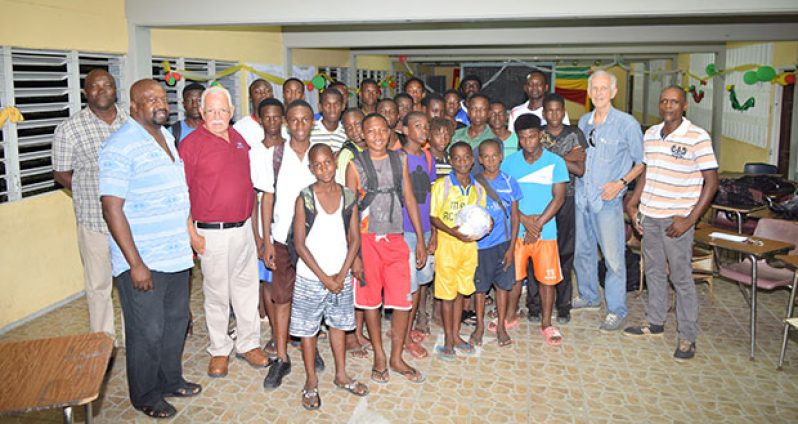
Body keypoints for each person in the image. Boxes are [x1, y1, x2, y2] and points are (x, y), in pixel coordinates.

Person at [99, 79, 199, 419]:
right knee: (148, 329)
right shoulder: (120, 145)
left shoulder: (166, 137)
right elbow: (111, 208)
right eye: (150, 99)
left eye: (162, 97)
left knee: (176, 320)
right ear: (134, 107)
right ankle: (145, 394)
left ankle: (171, 379)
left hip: (175, 255)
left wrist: (189, 236)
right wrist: (135, 263)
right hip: (144, 259)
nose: (160, 103)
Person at [179, 85, 269, 378]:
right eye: (211, 111)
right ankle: (219, 350)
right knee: (217, 294)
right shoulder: (190, 145)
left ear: (232, 113)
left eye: (222, 110)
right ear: (202, 113)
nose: (217, 116)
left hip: (243, 228)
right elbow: (183, 194)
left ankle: (248, 343)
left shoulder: (240, 139)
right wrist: (191, 234)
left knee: (246, 290)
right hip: (211, 233)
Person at [624, 85, 719, 361]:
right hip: (650, 217)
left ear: (684, 106)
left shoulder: (697, 137)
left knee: (681, 278)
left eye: (674, 102)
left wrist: (690, 219)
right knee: (653, 272)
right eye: (664, 101)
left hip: (676, 219)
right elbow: (648, 172)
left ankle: (687, 336)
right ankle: (655, 323)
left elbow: (711, 183)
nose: (668, 106)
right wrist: (634, 203)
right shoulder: (651, 134)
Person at [345, 113, 428, 384]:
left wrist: (420, 239)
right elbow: (349, 213)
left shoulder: (399, 159)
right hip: (367, 240)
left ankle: (396, 356)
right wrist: (354, 255)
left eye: (383, 130)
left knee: (402, 301)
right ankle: (379, 355)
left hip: (395, 238)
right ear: (362, 135)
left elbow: (410, 199)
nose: (378, 136)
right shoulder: (355, 166)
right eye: (371, 131)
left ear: (390, 131)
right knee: (371, 301)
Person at [291, 144, 369, 410]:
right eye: (317, 164)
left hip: (340, 274)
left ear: (335, 163)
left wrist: (343, 272)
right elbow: (300, 244)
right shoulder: (305, 198)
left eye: (328, 163)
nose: (324, 168)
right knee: (308, 330)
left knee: (338, 325)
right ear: (311, 168)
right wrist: (326, 279)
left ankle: (341, 374)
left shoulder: (348, 196)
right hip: (312, 277)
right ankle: (311, 380)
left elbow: (355, 238)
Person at [53, 69, 127, 344]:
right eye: (94, 87)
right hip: (95, 222)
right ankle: (103, 344)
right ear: (86, 92)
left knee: (135, 283)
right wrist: (90, 193)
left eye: (107, 85)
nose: (102, 90)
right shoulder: (69, 128)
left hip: (132, 220)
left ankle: (138, 338)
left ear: (115, 89)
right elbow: (61, 173)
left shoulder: (130, 122)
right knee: (99, 286)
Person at [572, 70, 645, 333]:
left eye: (604, 88)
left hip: (608, 202)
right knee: (583, 252)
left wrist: (621, 184)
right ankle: (589, 296)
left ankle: (616, 309)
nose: (599, 93)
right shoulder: (583, 121)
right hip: (583, 198)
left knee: (614, 259)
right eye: (595, 88)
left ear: (613, 92)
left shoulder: (627, 124)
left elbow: (641, 162)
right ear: (589, 92)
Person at [261, 100, 320, 389]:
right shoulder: (275, 155)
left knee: (311, 296)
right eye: (294, 120)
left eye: (305, 120)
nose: (299, 125)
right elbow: (267, 198)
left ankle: (313, 347)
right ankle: (282, 357)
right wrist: (266, 240)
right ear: (286, 123)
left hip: (315, 238)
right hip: (282, 237)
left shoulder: (320, 154)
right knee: (282, 297)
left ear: (312, 122)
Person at [501, 114, 568, 346]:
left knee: (546, 280)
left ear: (540, 135)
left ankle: (547, 323)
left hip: (545, 232)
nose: (528, 141)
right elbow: (505, 199)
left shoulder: (556, 162)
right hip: (517, 231)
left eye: (532, 136)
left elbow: (558, 199)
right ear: (518, 139)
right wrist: (523, 221)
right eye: (523, 138)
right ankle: (510, 316)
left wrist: (536, 225)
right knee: (514, 277)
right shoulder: (509, 163)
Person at [525, 93, 586, 325]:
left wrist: (555, 159)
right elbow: (533, 160)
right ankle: (534, 305)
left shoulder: (574, 133)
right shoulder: (537, 134)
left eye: (558, 110)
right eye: (549, 111)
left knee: (564, 253)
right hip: (539, 200)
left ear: (563, 111)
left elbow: (580, 170)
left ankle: (563, 305)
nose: (553, 115)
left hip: (566, 198)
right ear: (544, 113)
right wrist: (564, 158)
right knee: (535, 251)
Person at [429, 141, 486, 359]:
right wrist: (452, 233)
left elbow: (480, 216)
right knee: (447, 295)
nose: (462, 162)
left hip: (469, 248)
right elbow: (433, 216)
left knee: (462, 293)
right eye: (457, 158)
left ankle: (456, 335)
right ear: (451, 161)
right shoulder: (442, 186)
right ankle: (447, 340)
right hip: (448, 246)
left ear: (472, 160)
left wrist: (486, 225)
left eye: (466, 158)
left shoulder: (478, 189)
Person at [472, 139, 521, 347]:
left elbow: (516, 216)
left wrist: (511, 248)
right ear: (480, 160)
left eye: (495, 156)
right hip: (480, 246)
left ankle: (501, 325)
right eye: (486, 156)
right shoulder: (474, 183)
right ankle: (480, 326)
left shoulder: (510, 182)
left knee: (502, 286)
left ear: (501, 156)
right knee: (480, 288)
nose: (491, 160)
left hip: (503, 243)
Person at [249, 97, 287, 357]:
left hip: (288, 228)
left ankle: (290, 331)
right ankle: (275, 333)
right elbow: (253, 199)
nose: (272, 122)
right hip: (265, 228)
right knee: (268, 285)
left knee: (288, 283)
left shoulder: (291, 148)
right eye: (267, 117)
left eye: (277, 117)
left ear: (283, 119)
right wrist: (258, 238)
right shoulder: (254, 152)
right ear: (259, 119)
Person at [399, 112, 437, 359]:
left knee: (421, 282)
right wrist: (420, 239)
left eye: (426, 126)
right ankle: (403, 340)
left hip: (425, 228)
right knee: (408, 286)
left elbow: (432, 195)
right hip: (406, 231)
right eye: (418, 126)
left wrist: (433, 232)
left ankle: (407, 328)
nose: (424, 130)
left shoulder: (426, 156)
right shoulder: (399, 158)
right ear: (404, 130)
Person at [453, 94, 495, 173]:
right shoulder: (455, 135)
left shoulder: (494, 140)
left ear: (489, 113)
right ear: (468, 112)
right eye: (474, 109)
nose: (478, 112)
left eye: (482, 109)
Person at [234, 79, 274, 147]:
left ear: (272, 96)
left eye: (267, 91)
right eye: (257, 92)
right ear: (250, 98)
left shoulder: (283, 126)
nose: (263, 94)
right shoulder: (240, 127)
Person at [310, 88, 347, 153]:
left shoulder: (347, 133)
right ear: (320, 107)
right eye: (327, 105)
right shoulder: (310, 130)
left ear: (343, 106)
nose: (332, 109)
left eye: (336, 105)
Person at [336, 108, 367, 185]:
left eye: (358, 124)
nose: (354, 130)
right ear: (345, 131)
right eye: (349, 128)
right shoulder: (347, 154)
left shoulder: (374, 146)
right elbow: (343, 184)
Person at [429, 117, 455, 181]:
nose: (443, 139)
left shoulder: (451, 160)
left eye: (447, 135)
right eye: (438, 135)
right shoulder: (424, 158)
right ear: (429, 136)